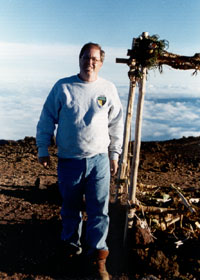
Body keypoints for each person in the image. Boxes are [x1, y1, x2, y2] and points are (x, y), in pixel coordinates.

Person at [36, 42, 123, 280]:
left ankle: (98, 259)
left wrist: (114, 154)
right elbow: (47, 117)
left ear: (101, 62)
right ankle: (70, 250)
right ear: (79, 59)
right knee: (70, 208)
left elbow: (116, 124)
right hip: (69, 161)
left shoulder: (108, 88)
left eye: (95, 58)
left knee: (99, 211)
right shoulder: (63, 87)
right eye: (86, 57)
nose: (90, 62)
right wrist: (43, 147)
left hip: (99, 161)